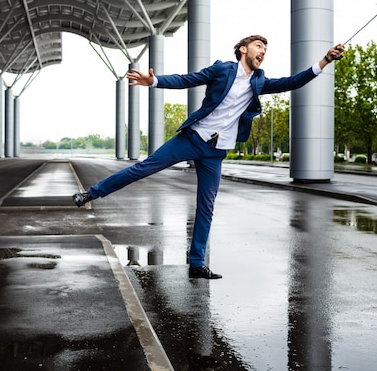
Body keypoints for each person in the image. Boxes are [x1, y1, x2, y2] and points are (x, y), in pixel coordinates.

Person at [73, 35, 344, 279]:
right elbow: (187, 79)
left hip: (215, 152)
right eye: (259, 46)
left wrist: (324, 61)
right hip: (191, 139)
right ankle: (91, 194)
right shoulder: (223, 69)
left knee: (207, 206)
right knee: (142, 168)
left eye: (266, 49)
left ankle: (197, 264)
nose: (263, 51)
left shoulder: (259, 81)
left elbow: (292, 82)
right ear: (242, 49)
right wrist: (153, 81)